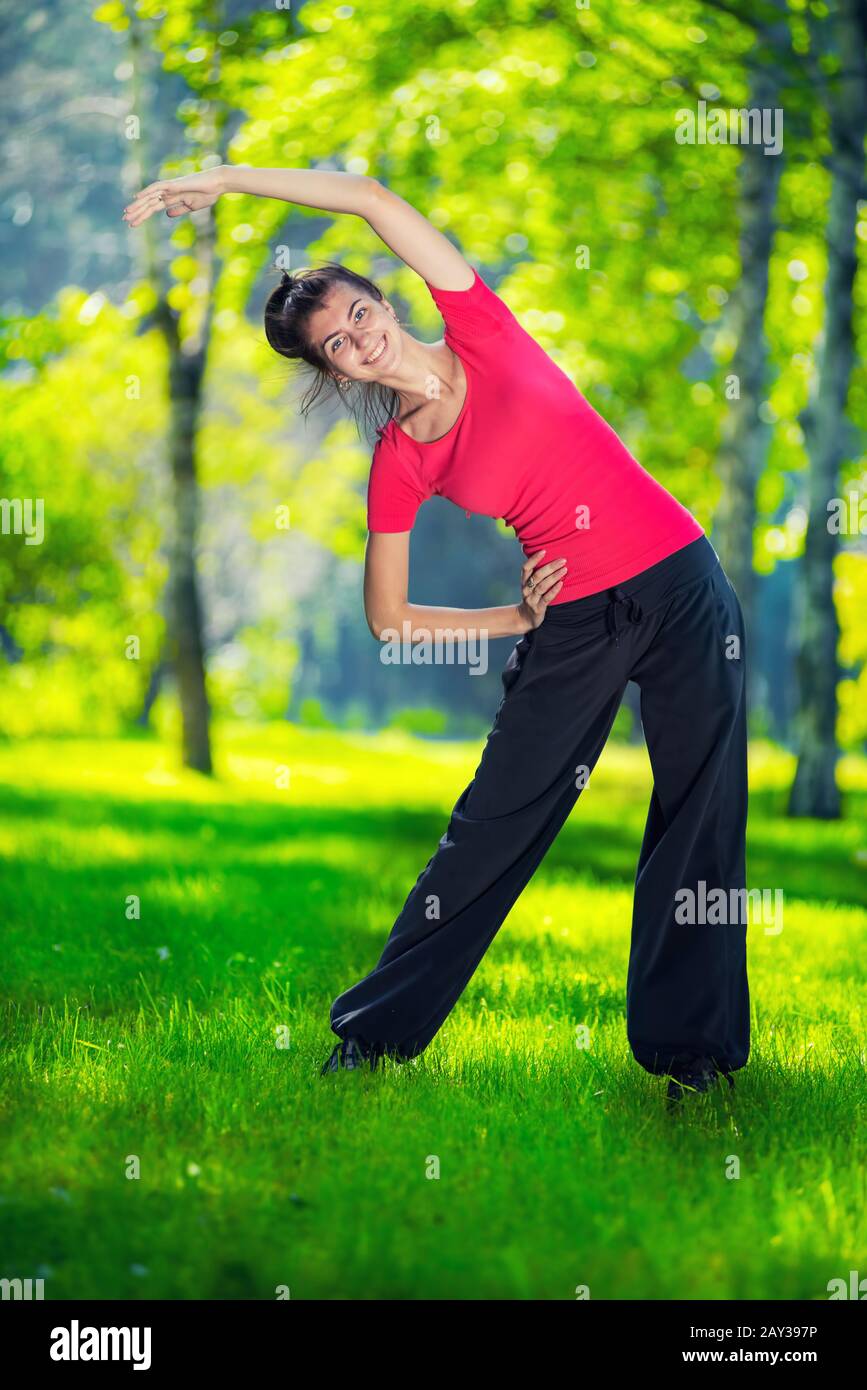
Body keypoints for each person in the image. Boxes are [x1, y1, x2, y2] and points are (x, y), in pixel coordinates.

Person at [124, 166, 749, 1103]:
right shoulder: (402, 459)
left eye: (357, 316)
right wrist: (511, 620)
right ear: (332, 370)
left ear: (382, 297)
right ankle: (371, 1036)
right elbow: (389, 619)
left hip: (682, 580)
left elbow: (370, 198)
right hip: (572, 622)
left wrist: (222, 181)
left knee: (699, 817)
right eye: (336, 346)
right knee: (490, 829)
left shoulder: (482, 329)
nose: (358, 341)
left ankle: (691, 1059)